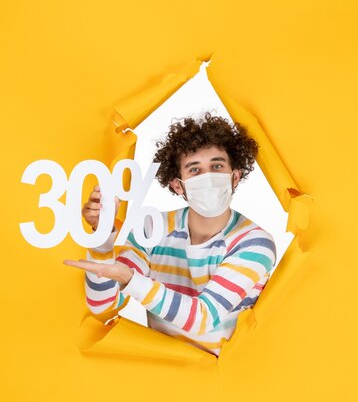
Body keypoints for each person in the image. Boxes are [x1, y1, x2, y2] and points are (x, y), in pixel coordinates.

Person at [64, 113, 277, 356]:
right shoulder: (152, 229)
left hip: (227, 384)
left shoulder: (254, 243)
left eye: (217, 166)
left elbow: (203, 318)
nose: (207, 178)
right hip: (162, 377)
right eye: (194, 170)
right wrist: (102, 239)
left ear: (235, 176)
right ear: (178, 185)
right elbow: (102, 304)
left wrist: (131, 280)